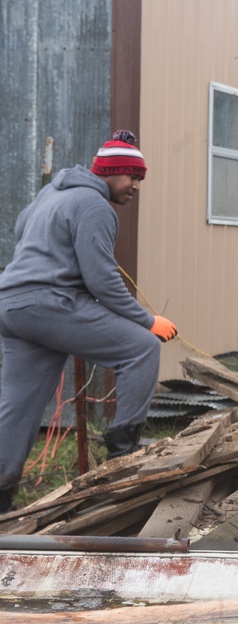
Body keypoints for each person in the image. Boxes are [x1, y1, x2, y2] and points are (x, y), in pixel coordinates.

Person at [0, 130, 177, 512]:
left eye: (140, 178)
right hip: (49, 303)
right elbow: (102, 281)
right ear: (110, 173)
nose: (136, 186)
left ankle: (2, 495)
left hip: (11, 307)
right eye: (132, 177)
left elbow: (19, 228)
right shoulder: (97, 208)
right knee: (141, 349)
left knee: (18, 407)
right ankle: (122, 456)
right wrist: (148, 321)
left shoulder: (53, 192)